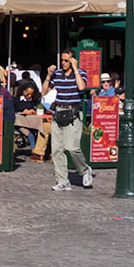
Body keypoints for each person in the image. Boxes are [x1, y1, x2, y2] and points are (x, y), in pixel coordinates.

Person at [45, 49, 92, 192]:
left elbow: (82, 87)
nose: (64, 63)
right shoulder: (57, 74)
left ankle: (84, 170)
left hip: (73, 112)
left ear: (73, 60)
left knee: (72, 147)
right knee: (57, 150)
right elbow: (44, 92)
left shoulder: (81, 73)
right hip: (58, 112)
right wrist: (48, 75)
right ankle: (63, 181)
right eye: (63, 60)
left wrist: (76, 68)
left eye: (67, 60)